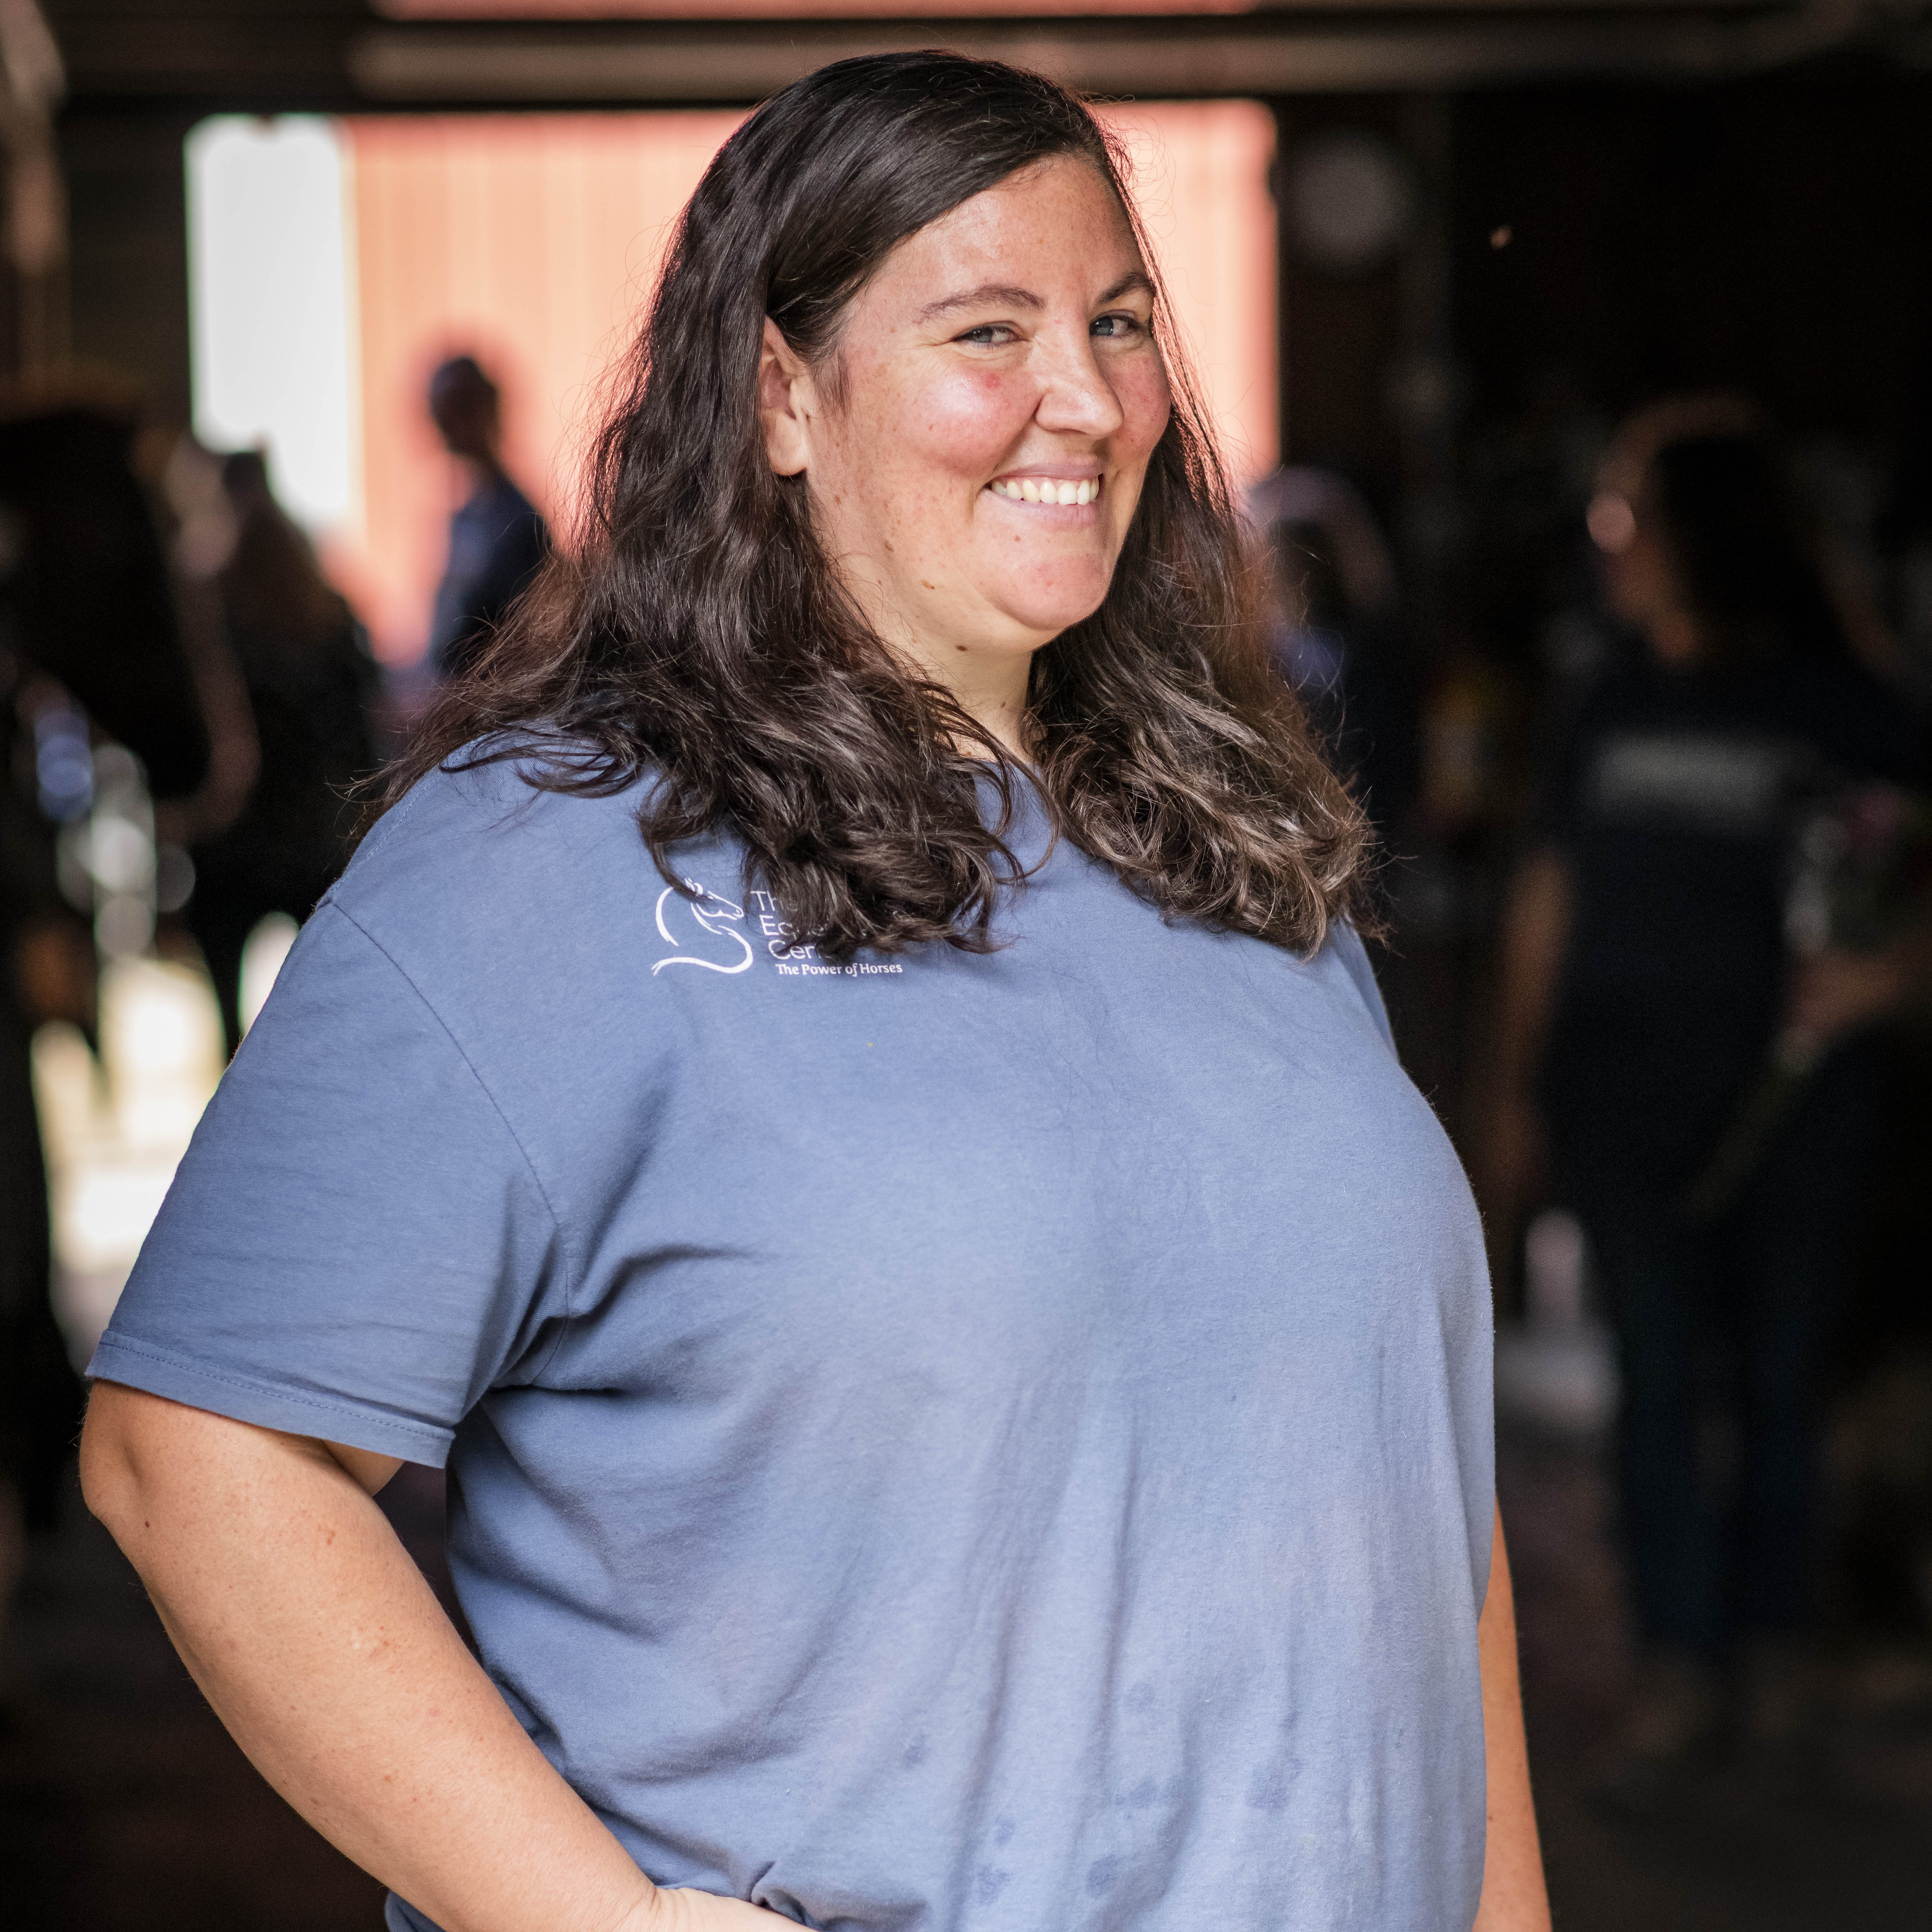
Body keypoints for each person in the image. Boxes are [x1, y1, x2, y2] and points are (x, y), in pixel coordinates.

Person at [79, 54, 1546, 1932]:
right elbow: (201, 1453)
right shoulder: (558, 862)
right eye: (986, 330)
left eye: (1116, 322)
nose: (1086, 400)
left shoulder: (1241, 849)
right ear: (781, 393)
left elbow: (1423, 1494)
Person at [1481, 395, 1930, 1791]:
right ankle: (1681, 1663)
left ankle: (1777, 1649)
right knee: (1658, 1383)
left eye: (1628, 514)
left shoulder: (1839, 705)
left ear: (1697, 534)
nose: (1609, 541)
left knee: (1781, 1381)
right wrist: (1509, 1084)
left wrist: (1888, 979)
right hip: (1621, 1106)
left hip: (1792, 1114)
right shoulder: (1607, 698)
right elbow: (1547, 898)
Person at [186, 449, 380, 1056]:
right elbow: (359, 726)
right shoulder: (322, 605)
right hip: (312, 835)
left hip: (235, 837)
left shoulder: (210, 610)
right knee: (327, 1011)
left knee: (228, 1020)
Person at [425, 355, 548, 682]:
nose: (445, 427)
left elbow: (527, 642)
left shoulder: (518, 521)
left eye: (457, 410)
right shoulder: (469, 515)